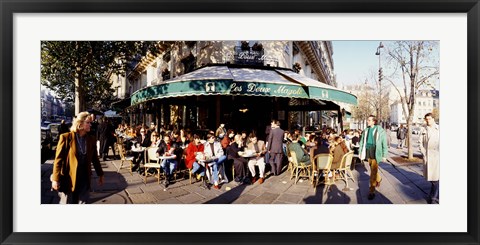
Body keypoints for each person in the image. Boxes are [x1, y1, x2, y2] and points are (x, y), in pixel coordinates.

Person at [51, 111, 104, 204]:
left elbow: (95, 158)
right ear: (80, 124)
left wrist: (100, 174)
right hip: (69, 179)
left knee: (83, 202)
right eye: (88, 122)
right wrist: (55, 179)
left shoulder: (91, 139)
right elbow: (58, 160)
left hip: (85, 178)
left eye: (90, 123)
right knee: (68, 202)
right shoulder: (66, 138)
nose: (90, 125)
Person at [359, 115, 388, 200]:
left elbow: (384, 143)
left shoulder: (380, 131)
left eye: (369, 120)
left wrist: (384, 155)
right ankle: (379, 179)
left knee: (373, 172)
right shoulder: (366, 130)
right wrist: (361, 152)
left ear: (374, 121)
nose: (367, 121)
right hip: (368, 151)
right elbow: (361, 142)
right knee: (373, 170)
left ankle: (372, 191)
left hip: (376, 152)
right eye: (368, 120)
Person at [418, 113, 440, 204]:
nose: (428, 120)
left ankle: (433, 197)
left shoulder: (439, 129)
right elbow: (420, 143)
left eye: (429, 119)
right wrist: (424, 153)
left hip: (437, 156)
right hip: (428, 156)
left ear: (433, 119)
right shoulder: (423, 129)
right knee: (432, 179)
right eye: (426, 119)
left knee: (435, 179)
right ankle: (435, 194)